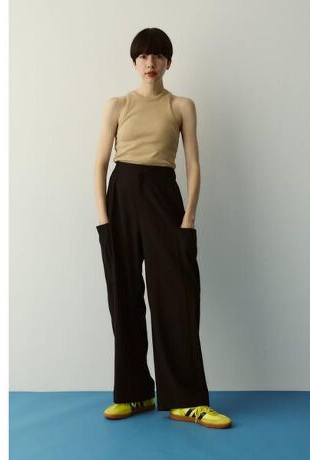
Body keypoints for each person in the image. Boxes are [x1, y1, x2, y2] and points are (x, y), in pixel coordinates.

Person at [93, 27, 232, 429]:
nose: (150, 63)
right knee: (123, 298)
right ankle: (134, 393)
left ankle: (186, 400)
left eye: (157, 56)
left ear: (168, 62)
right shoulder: (118, 105)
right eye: (142, 56)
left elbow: (194, 164)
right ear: (134, 62)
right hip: (120, 198)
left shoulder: (181, 106)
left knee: (176, 297)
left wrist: (189, 217)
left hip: (163, 198)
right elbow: (99, 163)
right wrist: (103, 219)